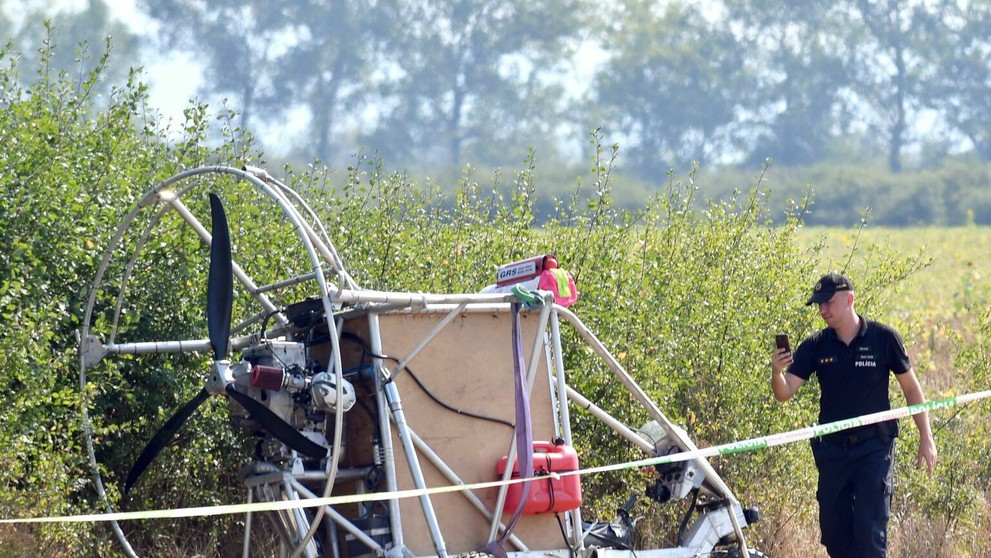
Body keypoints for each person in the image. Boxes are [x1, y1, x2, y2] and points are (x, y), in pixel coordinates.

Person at [770, 272, 937, 558]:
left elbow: (911, 388)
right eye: (819, 305)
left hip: (874, 449)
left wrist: (926, 436)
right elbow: (784, 393)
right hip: (833, 452)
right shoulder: (815, 345)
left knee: (869, 533)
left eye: (828, 303)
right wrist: (776, 371)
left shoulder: (883, 338)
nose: (823, 310)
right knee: (835, 536)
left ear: (850, 299)